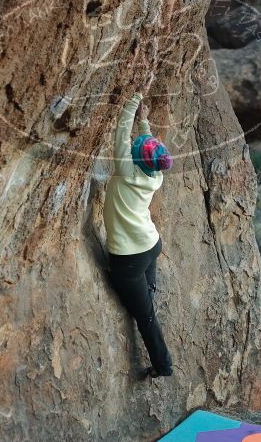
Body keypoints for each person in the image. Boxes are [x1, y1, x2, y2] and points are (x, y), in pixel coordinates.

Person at [104, 77, 174, 379]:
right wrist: (144, 122)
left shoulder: (125, 171)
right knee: (146, 291)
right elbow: (149, 148)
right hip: (150, 246)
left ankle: (163, 367)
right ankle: (148, 291)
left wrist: (134, 101)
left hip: (129, 258)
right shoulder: (153, 174)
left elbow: (121, 134)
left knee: (144, 316)